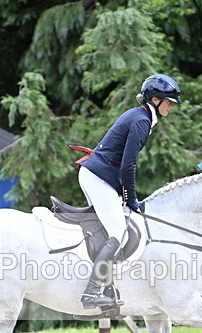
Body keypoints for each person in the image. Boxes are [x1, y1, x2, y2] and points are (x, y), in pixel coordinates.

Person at [76, 73, 182, 309]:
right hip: (97, 177)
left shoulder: (142, 117)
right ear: (155, 99)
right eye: (169, 102)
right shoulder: (142, 121)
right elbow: (128, 165)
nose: (172, 107)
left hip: (99, 175)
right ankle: (92, 293)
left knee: (114, 225)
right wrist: (130, 198)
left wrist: (127, 198)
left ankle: (107, 286)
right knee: (118, 231)